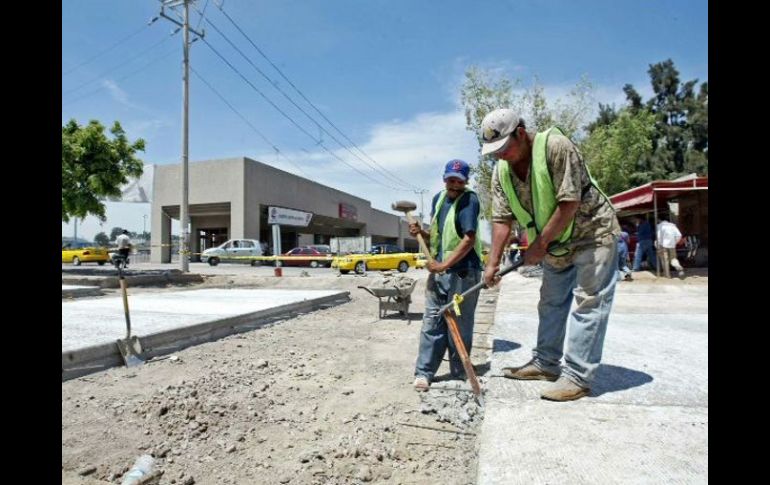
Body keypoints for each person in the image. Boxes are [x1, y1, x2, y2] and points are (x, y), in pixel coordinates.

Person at [479, 108, 620, 402]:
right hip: (557, 241)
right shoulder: (501, 171)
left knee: (589, 303)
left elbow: (569, 203)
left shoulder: (556, 146)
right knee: (551, 302)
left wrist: (538, 247)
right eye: (494, 152)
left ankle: (578, 376)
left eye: (504, 148)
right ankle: (545, 363)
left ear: (520, 132)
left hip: (591, 232)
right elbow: (502, 219)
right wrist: (492, 263)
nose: (500, 156)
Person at [411, 159, 483, 392]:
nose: (453, 184)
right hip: (440, 272)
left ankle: (459, 370)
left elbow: (469, 239)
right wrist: (421, 232)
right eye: (450, 179)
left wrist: (443, 265)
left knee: (459, 323)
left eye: (458, 180)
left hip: (463, 273)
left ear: (465, 181)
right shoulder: (438, 199)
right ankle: (424, 373)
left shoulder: (469, 200)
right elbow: (437, 236)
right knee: (432, 321)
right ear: (444, 178)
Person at [655, 214, 684, 278]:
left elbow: (659, 237)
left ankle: (667, 275)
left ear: (659, 219)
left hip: (663, 246)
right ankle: (678, 267)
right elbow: (679, 235)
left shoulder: (659, 226)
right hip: (672, 245)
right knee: (673, 259)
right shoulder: (672, 225)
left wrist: (658, 246)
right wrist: (674, 242)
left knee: (665, 260)